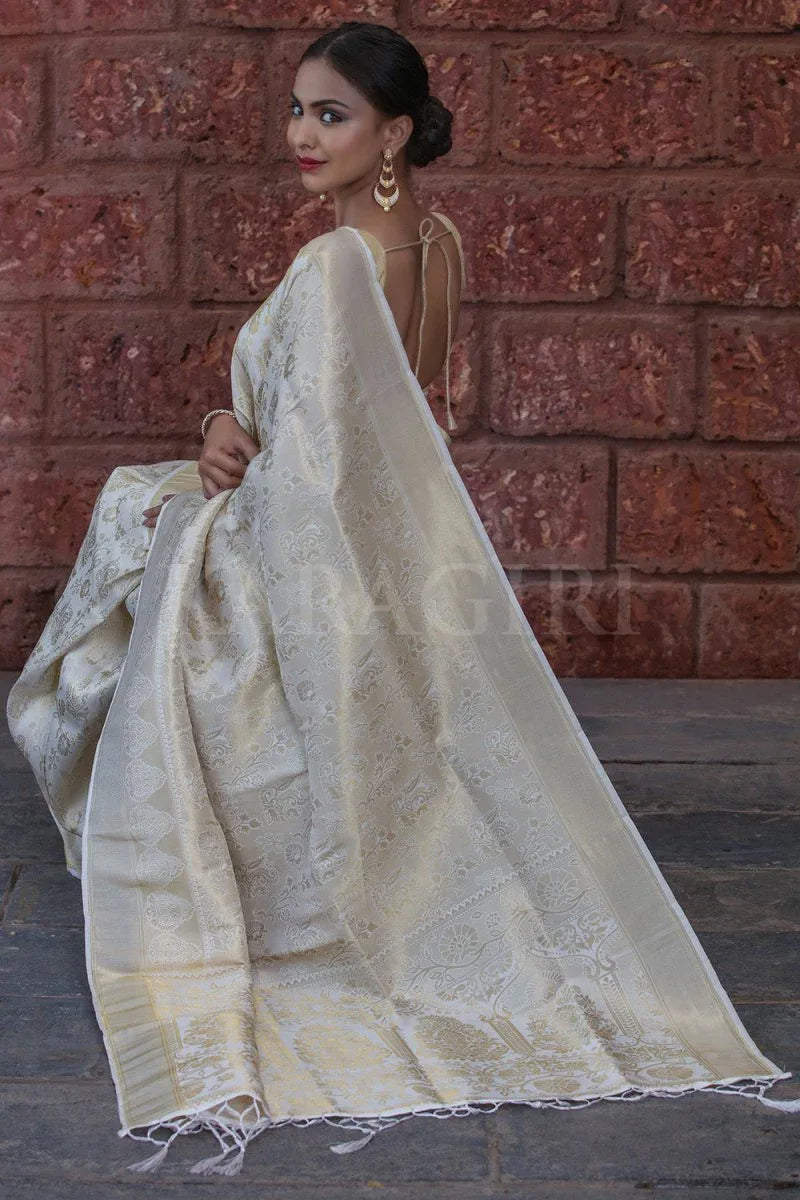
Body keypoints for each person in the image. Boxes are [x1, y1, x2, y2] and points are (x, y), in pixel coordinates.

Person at [6, 19, 799, 1179]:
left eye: (330, 114)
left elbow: (308, 480)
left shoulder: (336, 265)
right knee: (150, 501)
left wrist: (213, 472)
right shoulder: (437, 244)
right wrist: (226, 429)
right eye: (295, 109)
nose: (300, 134)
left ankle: (176, 859)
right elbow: (388, 431)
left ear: (390, 132)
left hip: (309, 552)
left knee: (142, 526)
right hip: (386, 553)